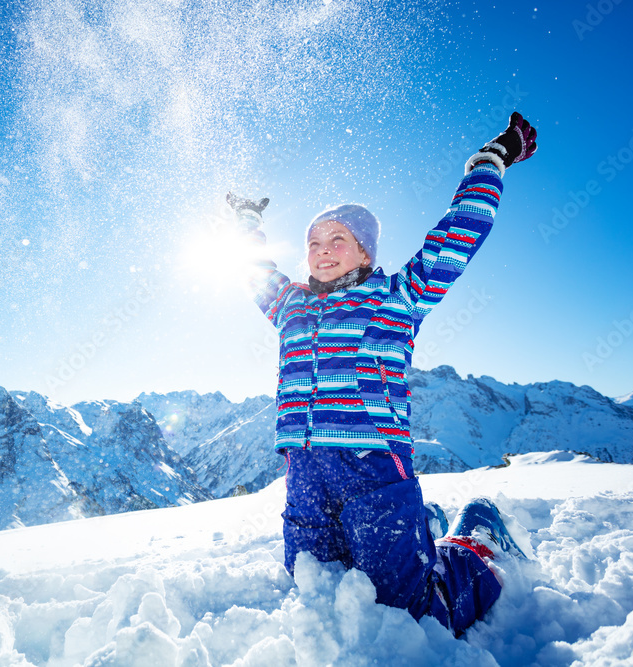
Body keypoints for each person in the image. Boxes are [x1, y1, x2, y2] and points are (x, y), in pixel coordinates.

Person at [227, 112, 538, 636]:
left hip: (374, 467)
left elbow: (457, 236)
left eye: (338, 239)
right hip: (304, 470)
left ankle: (477, 542)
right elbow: (253, 271)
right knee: (315, 586)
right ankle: (419, 531)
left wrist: (491, 160)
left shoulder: (397, 297)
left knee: (411, 612)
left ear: (366, 251)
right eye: (313, 243)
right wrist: (245, 228)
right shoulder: (291, 307)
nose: (322, 250)